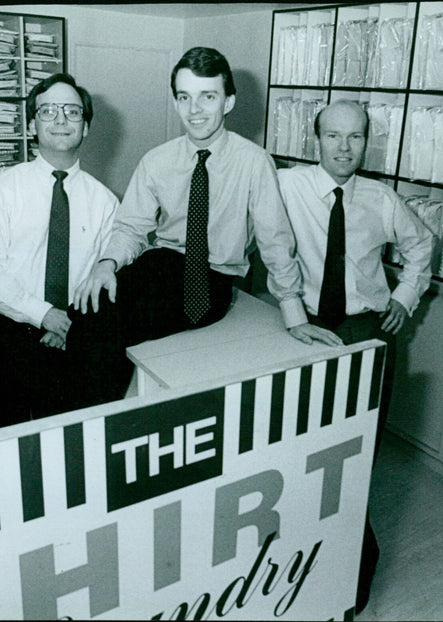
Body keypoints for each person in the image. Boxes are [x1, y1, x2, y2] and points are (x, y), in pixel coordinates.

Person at [65, 46, 323, 409]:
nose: (195, 110)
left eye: (208, 97)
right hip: (163, 264)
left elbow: (275, 240)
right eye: (184, 97)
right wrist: (107, 265)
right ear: (175, 101)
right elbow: (132, 227)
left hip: (209, 280)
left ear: (228, 102)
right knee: (87, 306)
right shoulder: (157, 160)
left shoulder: (254, 162)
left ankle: (97, 426)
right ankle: (79, 421)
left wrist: (293, 313)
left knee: (102, 327)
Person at [277, 99, 434, 614]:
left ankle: (351, 572)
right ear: (315, 139)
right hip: (304, 333)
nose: (344, 148)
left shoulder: (380, 198)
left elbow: (422, 246)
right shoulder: (286, 186)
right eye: (333, 136)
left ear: (367, 140)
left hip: (367, 334)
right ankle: (298, 566)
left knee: (356, 454)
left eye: (355, 137)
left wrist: (404, 299)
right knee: (302, 455)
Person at [0, 73, 118, 431]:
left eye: (72, 112)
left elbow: (107, 276)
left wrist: (69, 325)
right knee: (6, 444)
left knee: (63, 442)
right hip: (5, 337)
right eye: (48, 111)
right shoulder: (1, 191)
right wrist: (44, 314)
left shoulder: (106, 202)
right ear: (32, 124)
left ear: (86, 127)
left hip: (71, 337)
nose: (61, 120)